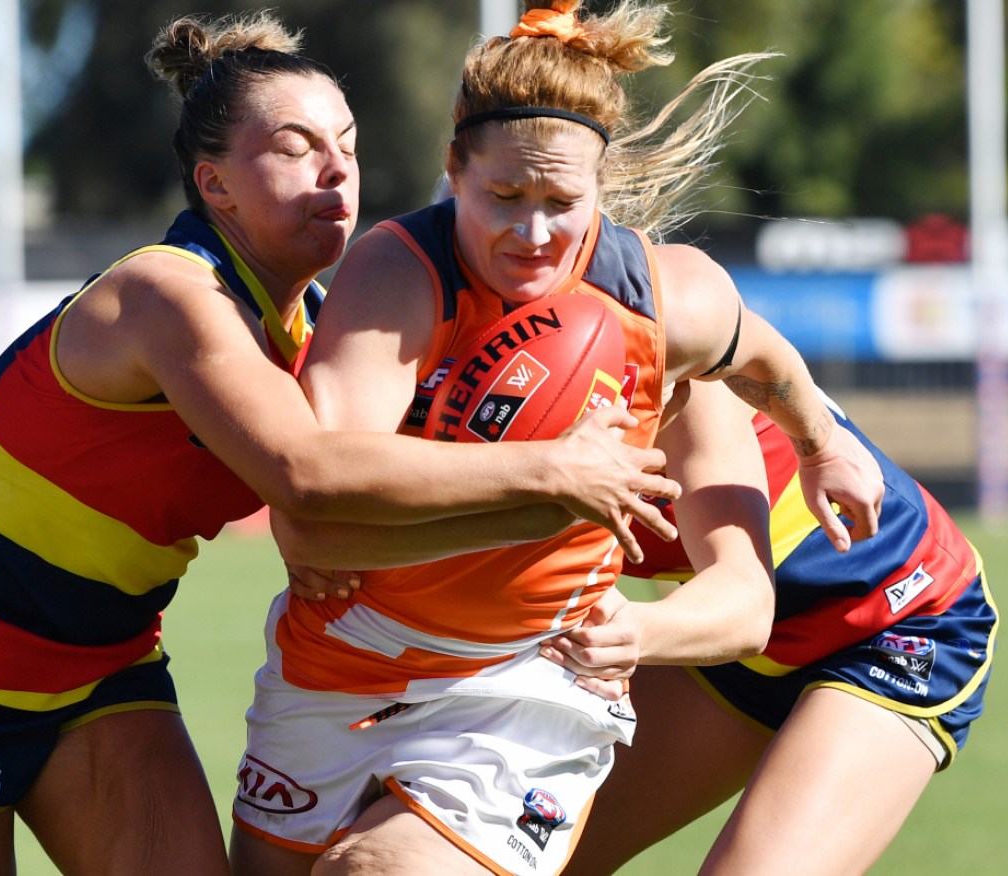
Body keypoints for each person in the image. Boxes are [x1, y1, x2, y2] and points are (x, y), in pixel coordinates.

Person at [0, 11, 685, 876]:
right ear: (214, 184)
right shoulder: (166, 294)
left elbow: (343, 485)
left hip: (98, 666)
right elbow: (305, 471)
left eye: (345, 144)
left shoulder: (305, 332)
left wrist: (805, 420)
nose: (336, 170)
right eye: (296, 149)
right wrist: (552, 468)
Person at [229, 2, 884, 874]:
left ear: (601, 187)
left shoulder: (664, 303)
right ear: (453, 167)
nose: (532, 235)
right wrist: (549, 484)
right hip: (343, 654)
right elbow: (309, 515)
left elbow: (760, 357)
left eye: (561, 203)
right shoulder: (396, 273)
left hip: (526, 678)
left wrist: (820, 443)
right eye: (503, 197)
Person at [546, 384, 997, 876]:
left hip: (896, 618)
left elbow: (743, 606)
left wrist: (631, 634)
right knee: (524, 859)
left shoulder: (674, 339)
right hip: (722, 629)